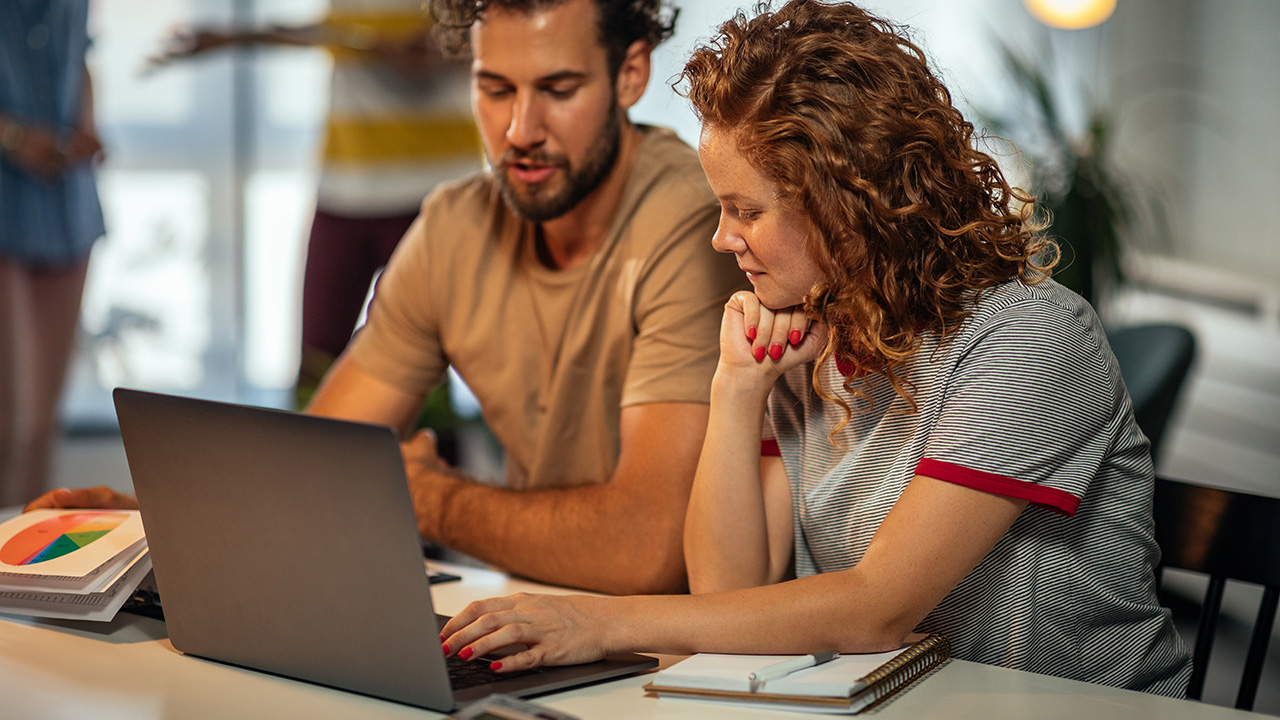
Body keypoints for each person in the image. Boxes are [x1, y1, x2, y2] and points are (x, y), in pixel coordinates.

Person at [435, 0, 1194, 697]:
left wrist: (600, 622)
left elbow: (874, 609)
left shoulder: (1026, 338)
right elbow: (728, 598)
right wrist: (737, 390)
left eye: (745, 211)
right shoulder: (810, 330)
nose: (721, 237)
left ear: (844, 206)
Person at [28, 0, 747, 597]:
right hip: (535, 613)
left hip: (683, 653)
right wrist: (156, 521)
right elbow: (322, 465)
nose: (520, 132)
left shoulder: (689, 223)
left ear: (630, 74)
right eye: (495, 89)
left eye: (558, 90)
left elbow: (646, 551)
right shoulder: (455, 225)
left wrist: (432, 501)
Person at [146, 0, 484, 408]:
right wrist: (234, 37)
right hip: (345, 190)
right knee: (316, 370)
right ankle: (312, 470)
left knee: (425, 384)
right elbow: (328, 33)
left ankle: (430, 471)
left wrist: (450, 45)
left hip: (433, 196)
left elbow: (507, 34)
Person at [1, 0, 106, 507]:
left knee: (42, 427)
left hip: (67, 202)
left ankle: (27, 577)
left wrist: (87, 123)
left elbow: (80, 56)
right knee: (8, 425)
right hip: (6, 198)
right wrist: (14, 137)